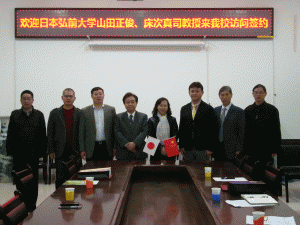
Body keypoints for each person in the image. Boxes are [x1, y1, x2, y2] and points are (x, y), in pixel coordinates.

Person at [6, 90, 46, 211]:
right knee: (20, 182)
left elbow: (42, 135)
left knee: (33, 182)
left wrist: (42, 153)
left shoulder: (39, 115)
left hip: (33, 155)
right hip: (19, 155)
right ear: (20, 100)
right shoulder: (15, 114)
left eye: (29, 98)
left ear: (33, 100)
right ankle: (21, 205)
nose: (26, 100)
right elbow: (10, 134)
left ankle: (32, 205)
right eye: (24, 98)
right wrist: (10, 151)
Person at [47, 88, 82, 189]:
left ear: (74, 98)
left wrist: (82, 149)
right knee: (60, 178)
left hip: (75, 151)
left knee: (75, 178)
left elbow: (82, 132)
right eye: (66, 96)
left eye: (70, 96)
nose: (68, 98)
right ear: (62, 98)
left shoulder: (79, 113)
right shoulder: (54, 113)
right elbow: (50, 133)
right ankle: (60, 201)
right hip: (59, 151)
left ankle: (75, 201)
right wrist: (51, 150)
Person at [178, 82, 219, 161]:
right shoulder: (184, 109)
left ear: (202, 93)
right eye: (192, 91)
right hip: (187, 149)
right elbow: (182, 128)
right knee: (187, 170)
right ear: (189, 93)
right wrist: (181, 145)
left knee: (201, 172)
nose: (194, 93)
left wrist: (210, 148)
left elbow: (214, 129)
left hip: (203, 149)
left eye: (197, 91)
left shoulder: (209, 109)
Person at [244, 84, 281, 168]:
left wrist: (275, 150)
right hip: (250, 149)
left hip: (266, 149)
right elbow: (244, 131)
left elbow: (276, 130)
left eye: (261, 92)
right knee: (250, 176)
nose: (258, 95)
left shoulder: (272, 110)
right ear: (252, 94)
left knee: (265, 175)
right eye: (256, 93)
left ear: (265, 94)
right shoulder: (247, 110)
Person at [80, 87, 116, 161]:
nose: (98, 96)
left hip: (107, 146)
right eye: (95, 94)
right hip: (91, 147)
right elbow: (81, 132)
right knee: (92, 170)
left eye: (100, 94)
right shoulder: (84, 111)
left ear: (103, 95)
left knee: (108, 169)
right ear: (91, 96)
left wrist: (115, 147)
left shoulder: (111, 110)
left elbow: (114, 130)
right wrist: (82, 149)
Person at [214, 86, 245, 163]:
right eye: (222, 95)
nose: (224, 97)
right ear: (219, 96)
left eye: (227, 94)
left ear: (231, 95)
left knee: (230, 172)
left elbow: (241, 131)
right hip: (217, 148)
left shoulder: (239, 111)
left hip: (232, 149)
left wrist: (239, 149)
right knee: (217, 171)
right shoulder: (215, 110)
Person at [115, 92, 148, 161]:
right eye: (127, 102)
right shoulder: (118, 117)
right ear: (124, 104)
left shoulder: (143, 117)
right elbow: (117, 132)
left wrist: (135, 143)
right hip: (123, 152)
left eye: (132, 102)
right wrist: (126, 144)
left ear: (136, 103)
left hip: (139, 151)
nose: (130, 104)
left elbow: (144, 132)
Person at [148, 97, 178, 162]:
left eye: (165, 106)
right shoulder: (151, 120)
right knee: (154, 168)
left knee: (171, 168)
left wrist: (167, 147)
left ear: (168, 107)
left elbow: (175, 135)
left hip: (171, 147)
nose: (163, 108)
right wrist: (161, 148)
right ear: (157, 106)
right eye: (161, 105)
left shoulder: (172, 120)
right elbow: (150, 136)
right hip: (154, 147)